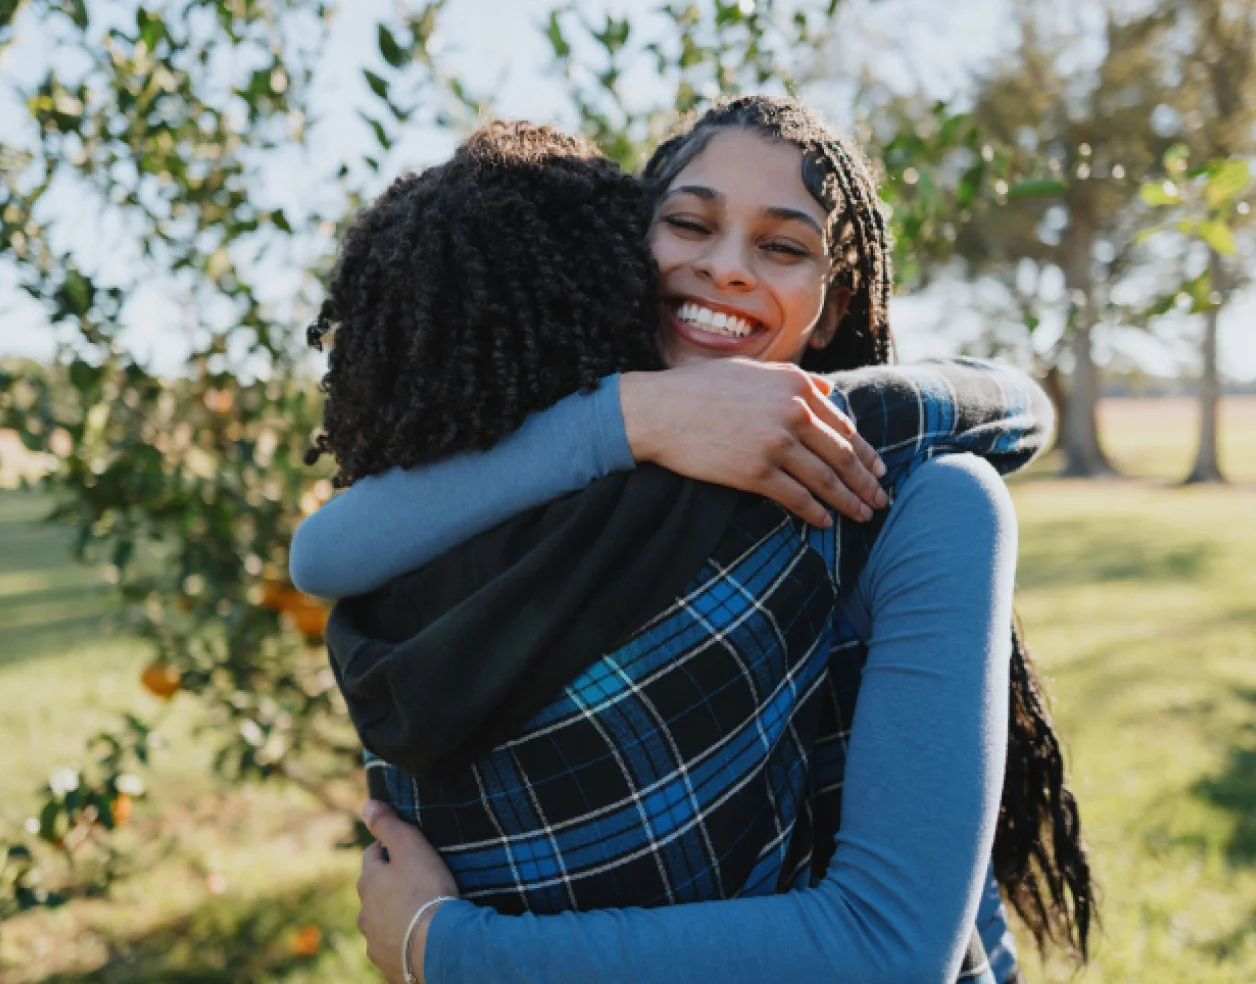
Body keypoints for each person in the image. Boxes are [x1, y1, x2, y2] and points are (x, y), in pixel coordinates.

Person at [295, 99, 1091, 983]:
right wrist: (635, 415)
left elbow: (893, 953)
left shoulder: (913, 495)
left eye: (783, 247)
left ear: (831, 313)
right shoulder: (575, 464)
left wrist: (447, 947)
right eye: (688, 224)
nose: (727, 269)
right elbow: (326, 552)